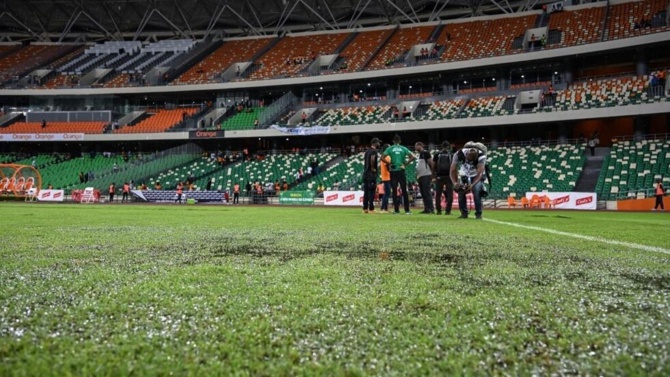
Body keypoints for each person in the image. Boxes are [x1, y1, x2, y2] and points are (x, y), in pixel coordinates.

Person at [451, 142, 487, 219]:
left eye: (472, 160)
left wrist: (472, 185)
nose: (470, 161)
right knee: (460, 191)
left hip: (476, 174)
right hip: (464, 173)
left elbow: (479, 173)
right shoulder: (458, 154)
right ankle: (464, 213)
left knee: (476, 191)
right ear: (466, 154)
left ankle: (478, 213)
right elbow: (452, 170)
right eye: (468, 159)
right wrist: (455, 182)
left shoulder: (482, 156)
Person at [382, 135, 416, 214]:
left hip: (393, 171)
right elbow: (413, 157)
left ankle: (396, 210)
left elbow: (382, 157)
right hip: (401, 170)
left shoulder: (390, 148)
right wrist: (405, 164)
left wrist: (389, 164)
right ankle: (407, 210)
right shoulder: (403, 148)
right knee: (404, 190)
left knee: (394, 191)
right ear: (400, 141)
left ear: (393, 141)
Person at [433, 141, 454, 215]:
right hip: (449, 176)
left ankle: (438, 210)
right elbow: (454, 166)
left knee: (438, 194)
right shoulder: (451, 154)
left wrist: (433, 176)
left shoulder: (437, 154)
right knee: (450, 194)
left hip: (439, 176)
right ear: (449, 146)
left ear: (441, 146)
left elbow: (433, 165)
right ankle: (448, 211)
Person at [362, 138, 381, 214]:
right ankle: (371, 208)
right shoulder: (374, 151)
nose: (379, 144)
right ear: (375, 143)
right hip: (371, 174)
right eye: (378, 143)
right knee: (371, 192)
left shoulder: (367, 151)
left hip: (366, 174)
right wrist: (373, 169)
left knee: (366, 192)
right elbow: (372, 159)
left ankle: (365, 208)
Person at [414, 142, 434, 214]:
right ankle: (427, 208)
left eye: (417, 146)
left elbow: (431, 162)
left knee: (426, 192)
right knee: (423, 192)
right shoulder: (421, 154)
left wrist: (432, 173)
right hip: (421, 175)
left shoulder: (426, 153)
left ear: (421, 146)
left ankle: (431, 208)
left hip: (426, 174)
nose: (415, 147)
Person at [378, 144, 392, 213]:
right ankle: (383, 208)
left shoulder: (383, 156)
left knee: (386, 193)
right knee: (387, 193)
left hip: (384, 176)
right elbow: (388, 167)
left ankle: (385, 208)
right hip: (387, 177)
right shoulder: (387, 157)